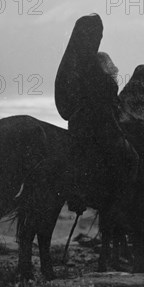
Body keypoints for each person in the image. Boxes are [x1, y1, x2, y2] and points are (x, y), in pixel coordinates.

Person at [54, 14, 138, 219]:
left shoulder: (78, 61)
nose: (98, 38)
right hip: (94, 123)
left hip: (86, 120)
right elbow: (100, 94)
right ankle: (116, 204)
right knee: (127, 156)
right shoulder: (89, 63)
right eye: (96, 34)